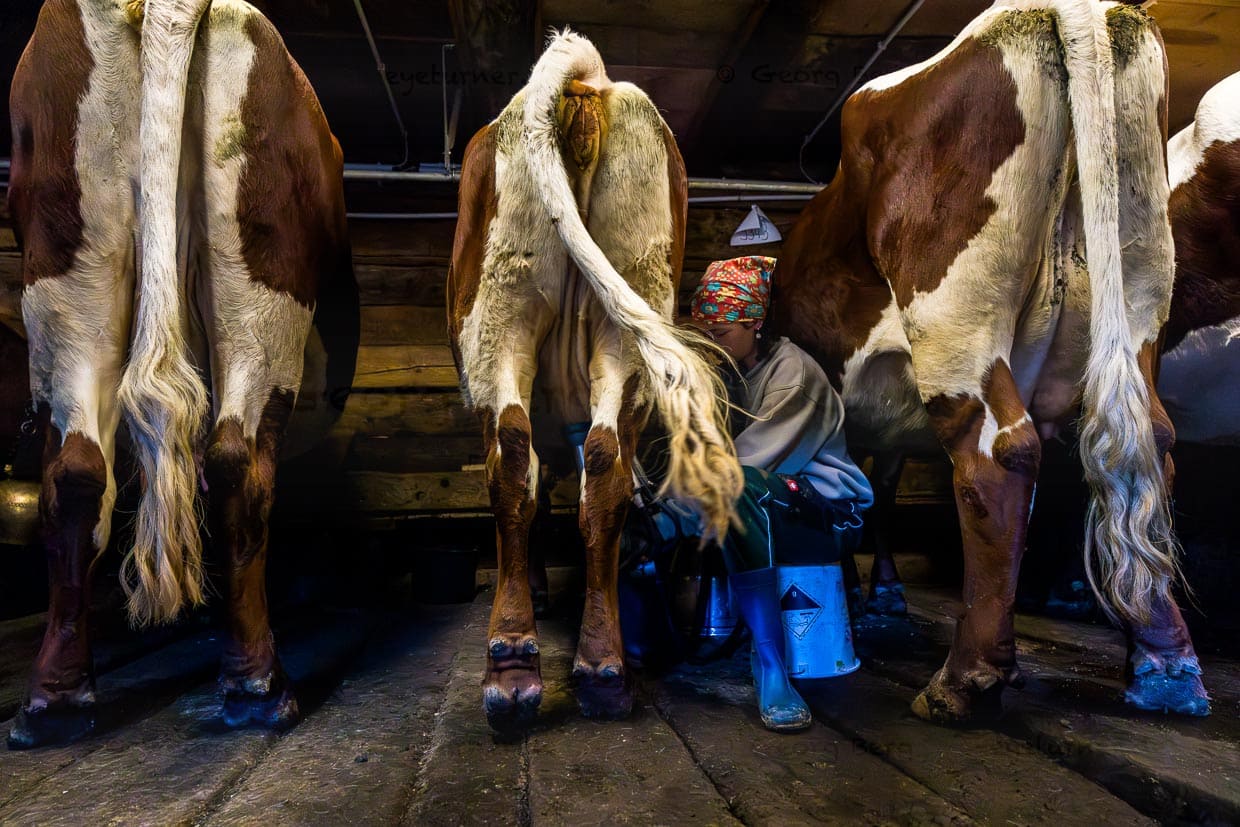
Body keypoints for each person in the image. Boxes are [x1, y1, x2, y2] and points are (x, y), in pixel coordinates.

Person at [690, 255, 874, 732]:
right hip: (775, 500)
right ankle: (706, 629)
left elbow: (748, 463)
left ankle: (772, 669)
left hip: (828, 512)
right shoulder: (730, 371)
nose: (711, 345)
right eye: (703, 335)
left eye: (720, 334)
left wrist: (676, 508)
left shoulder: (794, 376)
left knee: (736, 487)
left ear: (754, 324)